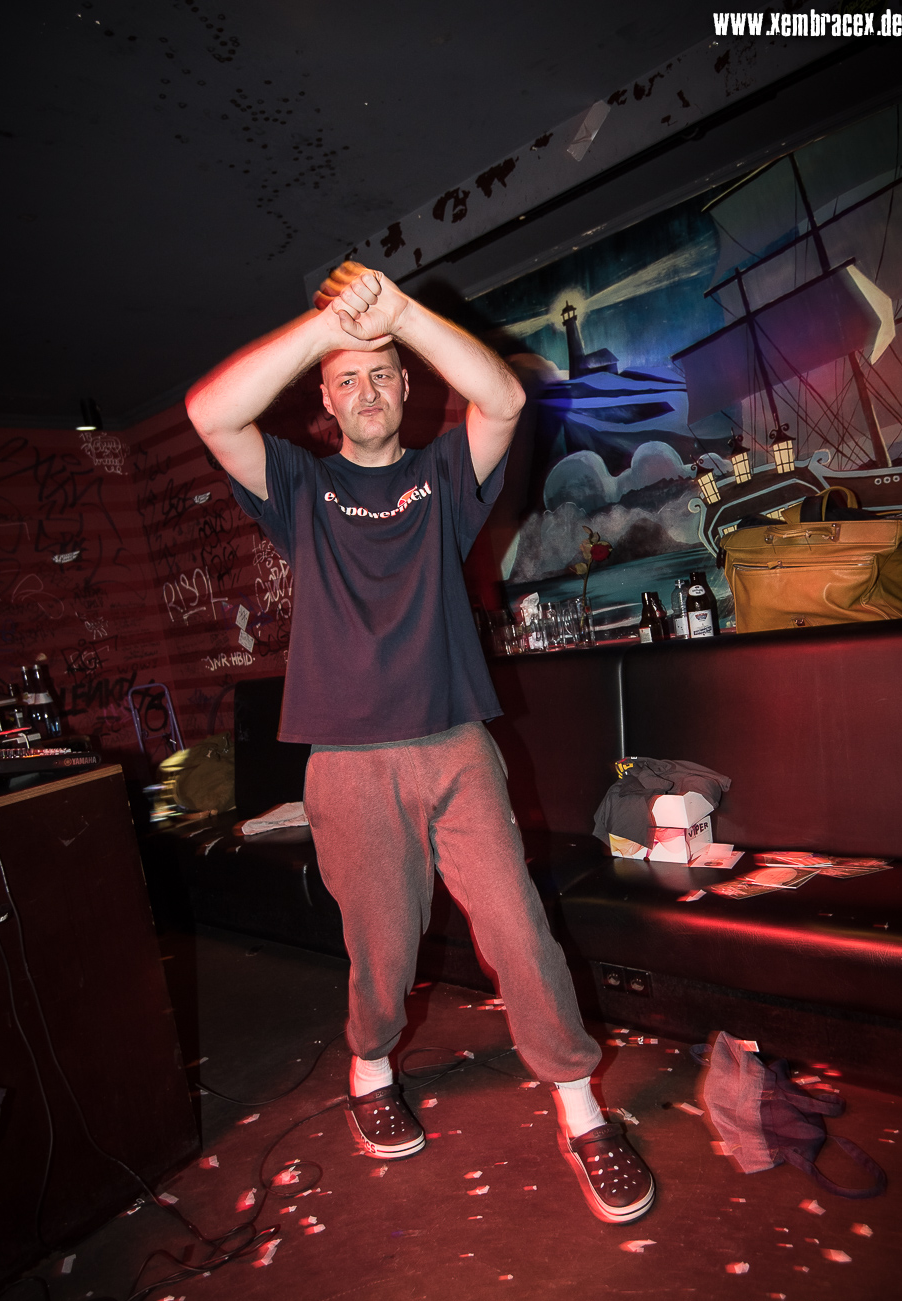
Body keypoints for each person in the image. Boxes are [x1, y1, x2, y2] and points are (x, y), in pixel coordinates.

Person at [185, 262, 655, 1224]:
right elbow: (210, 412)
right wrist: (329, 330)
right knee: (383, 951)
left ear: (406, 387)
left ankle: (580, 1109)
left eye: (381, 374)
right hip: (345, 760)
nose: (365, 390)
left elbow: (502, 399)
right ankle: (369, 1071)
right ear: (324, 401)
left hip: (453, 746)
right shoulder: (300, 487)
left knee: (519, 928)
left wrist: (396, 313)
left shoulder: (443, 476)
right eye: (345, 380)